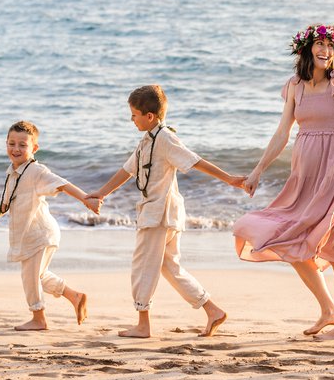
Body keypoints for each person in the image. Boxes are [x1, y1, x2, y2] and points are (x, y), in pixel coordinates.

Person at [233, 24, 334, 341]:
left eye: (330, 46)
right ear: (307, 49)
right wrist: (257, 171)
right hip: (304, 177)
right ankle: (329, 309)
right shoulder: (295, 86)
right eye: (320, 45)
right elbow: (282, 133)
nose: (326, 51)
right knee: (289, 240)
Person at [87, 85, 247, 339]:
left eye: (134, 115)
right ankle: (212, 310)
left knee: (142, 268)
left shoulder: (165, 138)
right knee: (170, 268)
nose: (132, 120)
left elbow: (194, 160)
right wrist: (101, 193)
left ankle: (142, 325)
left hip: (159, 216)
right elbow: (127, 170)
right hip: (163, 215)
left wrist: (229, 179)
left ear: (149, 116)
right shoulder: (146, 140)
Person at [0, 120, 100, 331]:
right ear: (6, 144)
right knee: (39, 276)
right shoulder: (12, 171)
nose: (16, 149)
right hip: (33, 234)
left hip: (40, 234)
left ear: (34, 148)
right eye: (11, 143)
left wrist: (86, 199)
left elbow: (62, 184)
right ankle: (75, 296)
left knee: (29, 278)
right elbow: (9, 199)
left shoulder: (36, 171)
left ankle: (39, 318)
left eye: (22, 145)